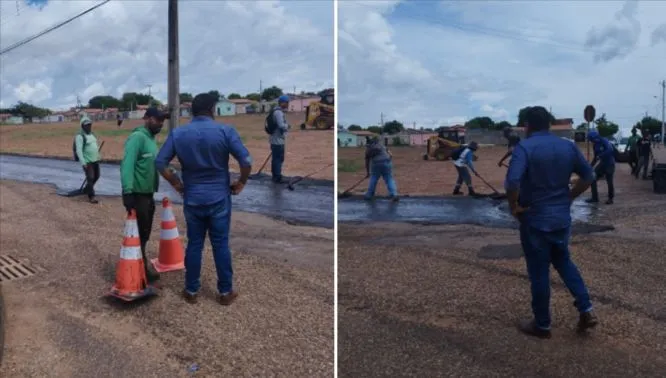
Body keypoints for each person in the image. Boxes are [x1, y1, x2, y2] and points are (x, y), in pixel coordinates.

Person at [504, 106, 598, 339]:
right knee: (564, 261)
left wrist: (514, 207)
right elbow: (589, 176)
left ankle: (542, 325)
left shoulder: (524, 147)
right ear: (549, 124)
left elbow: (512, 182)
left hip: (535, 219)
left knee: (539, 272)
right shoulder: (567, 145)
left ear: (527, 126)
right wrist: (569, 197)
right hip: (561, 217)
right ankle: (586, 308)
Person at [155, 93, 253, 306]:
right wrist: (241, 182)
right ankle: (225, 292)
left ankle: (191, 290)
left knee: (194, 244)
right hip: (219, 197)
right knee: (220, 245)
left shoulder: (178, 134)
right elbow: (246, 160)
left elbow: (161, 163)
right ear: (213, 109)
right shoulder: (225, 131)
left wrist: (177, 184)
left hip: (192, 198)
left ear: (192, 111)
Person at [120, 107, 168, 284]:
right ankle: (137, 271)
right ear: (147, 118)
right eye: (158, 120)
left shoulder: (151, 139)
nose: (161, 123)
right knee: (139, 232)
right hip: (137, 194)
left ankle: (140, 265)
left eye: (163, 120)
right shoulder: (137, 138)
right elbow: (127, 165)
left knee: (145, 232)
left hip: (148, 194)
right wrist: (127, 191)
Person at [74, 116, 101, 204]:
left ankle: (87, 189)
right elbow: (79, 150)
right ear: (82, 126)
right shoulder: (80, 136)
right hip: (87, 161)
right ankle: (91, 196)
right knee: (90, 178)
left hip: (95, 160)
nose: (89, 126)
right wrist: (83, 163)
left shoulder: (92, 134)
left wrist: (98, 155)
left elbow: (94, 146)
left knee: (97, 176)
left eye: (89, 125)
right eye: (86, 125)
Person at [364, 136, 399, 201]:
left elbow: (367, 162)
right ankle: (394, 194)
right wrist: (388, 160)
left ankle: (369, 195)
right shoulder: (381, 146)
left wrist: (368, 173)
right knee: (389, 179)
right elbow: (391, 154)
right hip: (387, 162)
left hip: (376, 164)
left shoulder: (368, 149)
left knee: (373, 178)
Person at [586, 130, 616, 204]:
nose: (591, 141)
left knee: (609, 181)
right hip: (602, 164)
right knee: (593, 178)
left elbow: (610, 150)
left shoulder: (604, 140)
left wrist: (601, 155)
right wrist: (590, 167)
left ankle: (610, 198)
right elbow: (596, 157)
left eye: (591, 139)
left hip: (609, 164)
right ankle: (594, 198)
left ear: (594, 137)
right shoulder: (595, 145)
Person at [267, 95, 290, 183]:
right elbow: (281, 125)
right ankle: (277, 177)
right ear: (282, 103)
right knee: (278, 159)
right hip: (278, 140)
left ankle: (276, 175)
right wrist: (287, 126)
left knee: (276, 158)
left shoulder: (275, 111)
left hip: (275, 139)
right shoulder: (278, 113)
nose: (288, 104)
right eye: (287, 102)